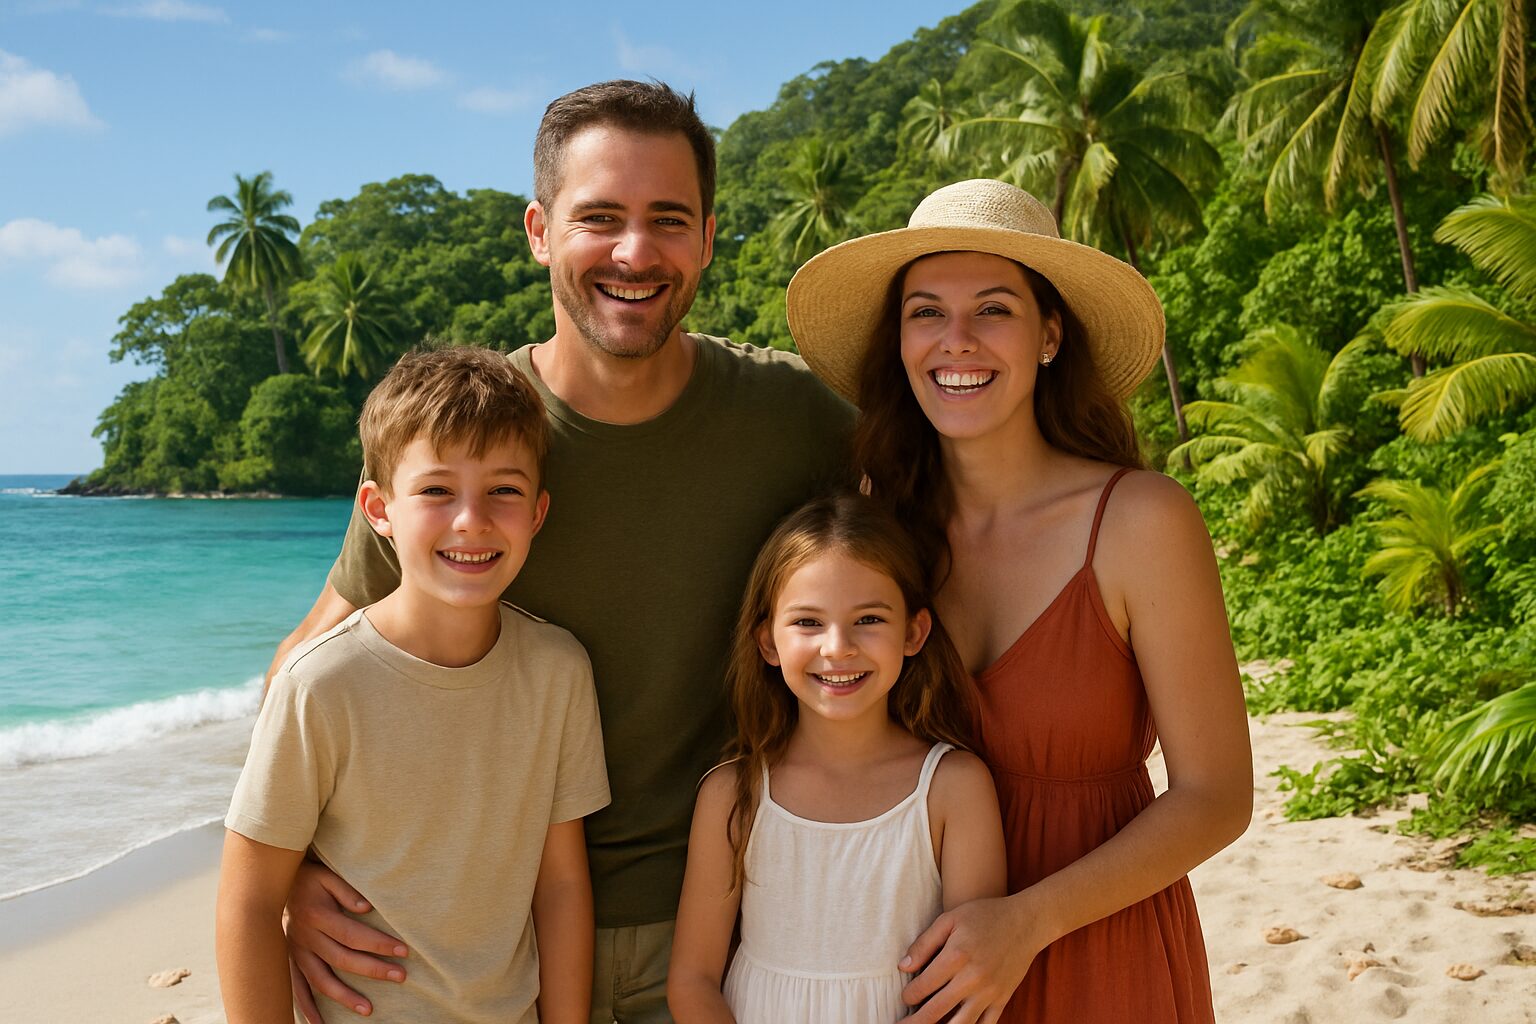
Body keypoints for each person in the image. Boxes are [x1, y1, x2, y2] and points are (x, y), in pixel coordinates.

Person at [271, 81, 853, 1024]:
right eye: (600, 218)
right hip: (486, 945)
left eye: (669, 219)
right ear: (540, 230)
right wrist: (291, 870)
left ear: (708, 237)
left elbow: (951, 528)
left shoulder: (791, 417)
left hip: (729, 928)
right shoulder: (467, 441)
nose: (635, 252)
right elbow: (312, 663)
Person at [784, 179, 1253, 1023]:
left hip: (1102, 947)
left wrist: (1026, 923)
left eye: (992, 309)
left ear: (1049, 337)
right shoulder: (878, 522)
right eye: (926, 312)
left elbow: (1217, 795)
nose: (954, 341)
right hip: (916, 961)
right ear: (899, 342)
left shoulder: (1140, 520)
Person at [218, 346, 610, 1023]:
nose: (471, 520)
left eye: (504, 491)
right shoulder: (320, 683)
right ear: (378, 509)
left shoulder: (559, 671)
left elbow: (562, 884)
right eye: (436, 490)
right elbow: (248, 901)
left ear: (538, 513)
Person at [668, 494, 1006, 1023]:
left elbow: (969, 983)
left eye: (868, 618)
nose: (837, 647)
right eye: (807, 622)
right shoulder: (733, 795)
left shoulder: (952, 789)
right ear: (768, 642)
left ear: (914, 632)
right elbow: (693, 981)